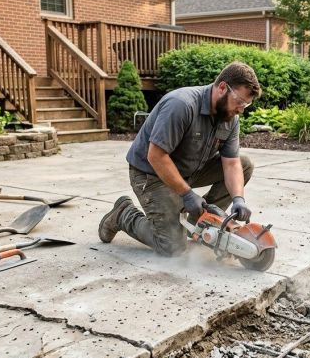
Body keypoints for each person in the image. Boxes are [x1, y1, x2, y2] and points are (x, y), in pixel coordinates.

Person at [98, 61, 261, 257]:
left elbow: (232, 163)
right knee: (172, 246)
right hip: (151, 173)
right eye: (240, 102)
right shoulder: (181, 105)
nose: (242, 109)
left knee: (244, 165)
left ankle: (199, 220)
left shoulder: (230, 118)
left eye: (246, 104)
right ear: (222, 88)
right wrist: (187, 194)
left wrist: (238, 198)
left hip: (188, 170)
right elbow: (156, 155)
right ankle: (123, 214)